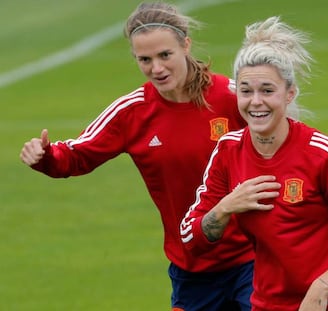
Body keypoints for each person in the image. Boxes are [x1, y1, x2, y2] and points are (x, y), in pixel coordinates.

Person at [19, 2, 255, 310]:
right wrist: (45, 156)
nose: (156, 68)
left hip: (254, 256)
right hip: (192, 266)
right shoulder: (132, 112)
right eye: (145, 59)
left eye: (164, 55)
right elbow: (78, 155)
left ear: (185, 44)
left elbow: (289, 143)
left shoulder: (234, 97)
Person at [180, 16, 328, 311]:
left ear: (289, 94)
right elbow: (191, 236)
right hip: (266, 305)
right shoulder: (228, 150)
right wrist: (226, 206)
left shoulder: (324, 154)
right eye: (246, 91)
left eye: (267, 90)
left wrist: (322, 286)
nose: (256, 102)